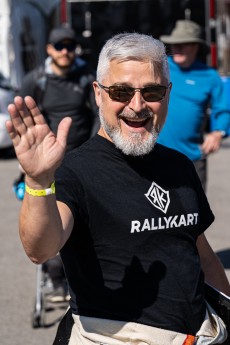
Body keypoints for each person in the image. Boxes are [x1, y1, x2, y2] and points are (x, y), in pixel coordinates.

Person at [6, 32, 230, 344]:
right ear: (98, 94)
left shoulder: (179, 166)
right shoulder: (76, 171)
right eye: (121, 92)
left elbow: (200, 251)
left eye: (151, 91)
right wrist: (39, 182)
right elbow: (40, 249)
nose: (137, 106)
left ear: (167, 93)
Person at [18, 25, 99, 302]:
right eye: (59, 46)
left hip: (82, 161)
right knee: (50, 219)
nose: (65, 51)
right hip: (47, 164)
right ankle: (56, 279)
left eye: (70, 46)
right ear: (49, 49)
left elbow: (98, 115)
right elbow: (25, 121)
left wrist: (92, 151)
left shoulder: (87, 76)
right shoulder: (36, 80)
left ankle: (81, 275)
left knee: (85, 224)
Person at [158, 19, 230, 191]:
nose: (178, 48)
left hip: (192, 158)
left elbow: (223, 109)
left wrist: (218, 133)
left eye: (184, 44)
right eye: (175, 44)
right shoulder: (160, 69)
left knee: (194, 213)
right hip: (155, 155)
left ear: (196, 46)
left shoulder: (209, 76)